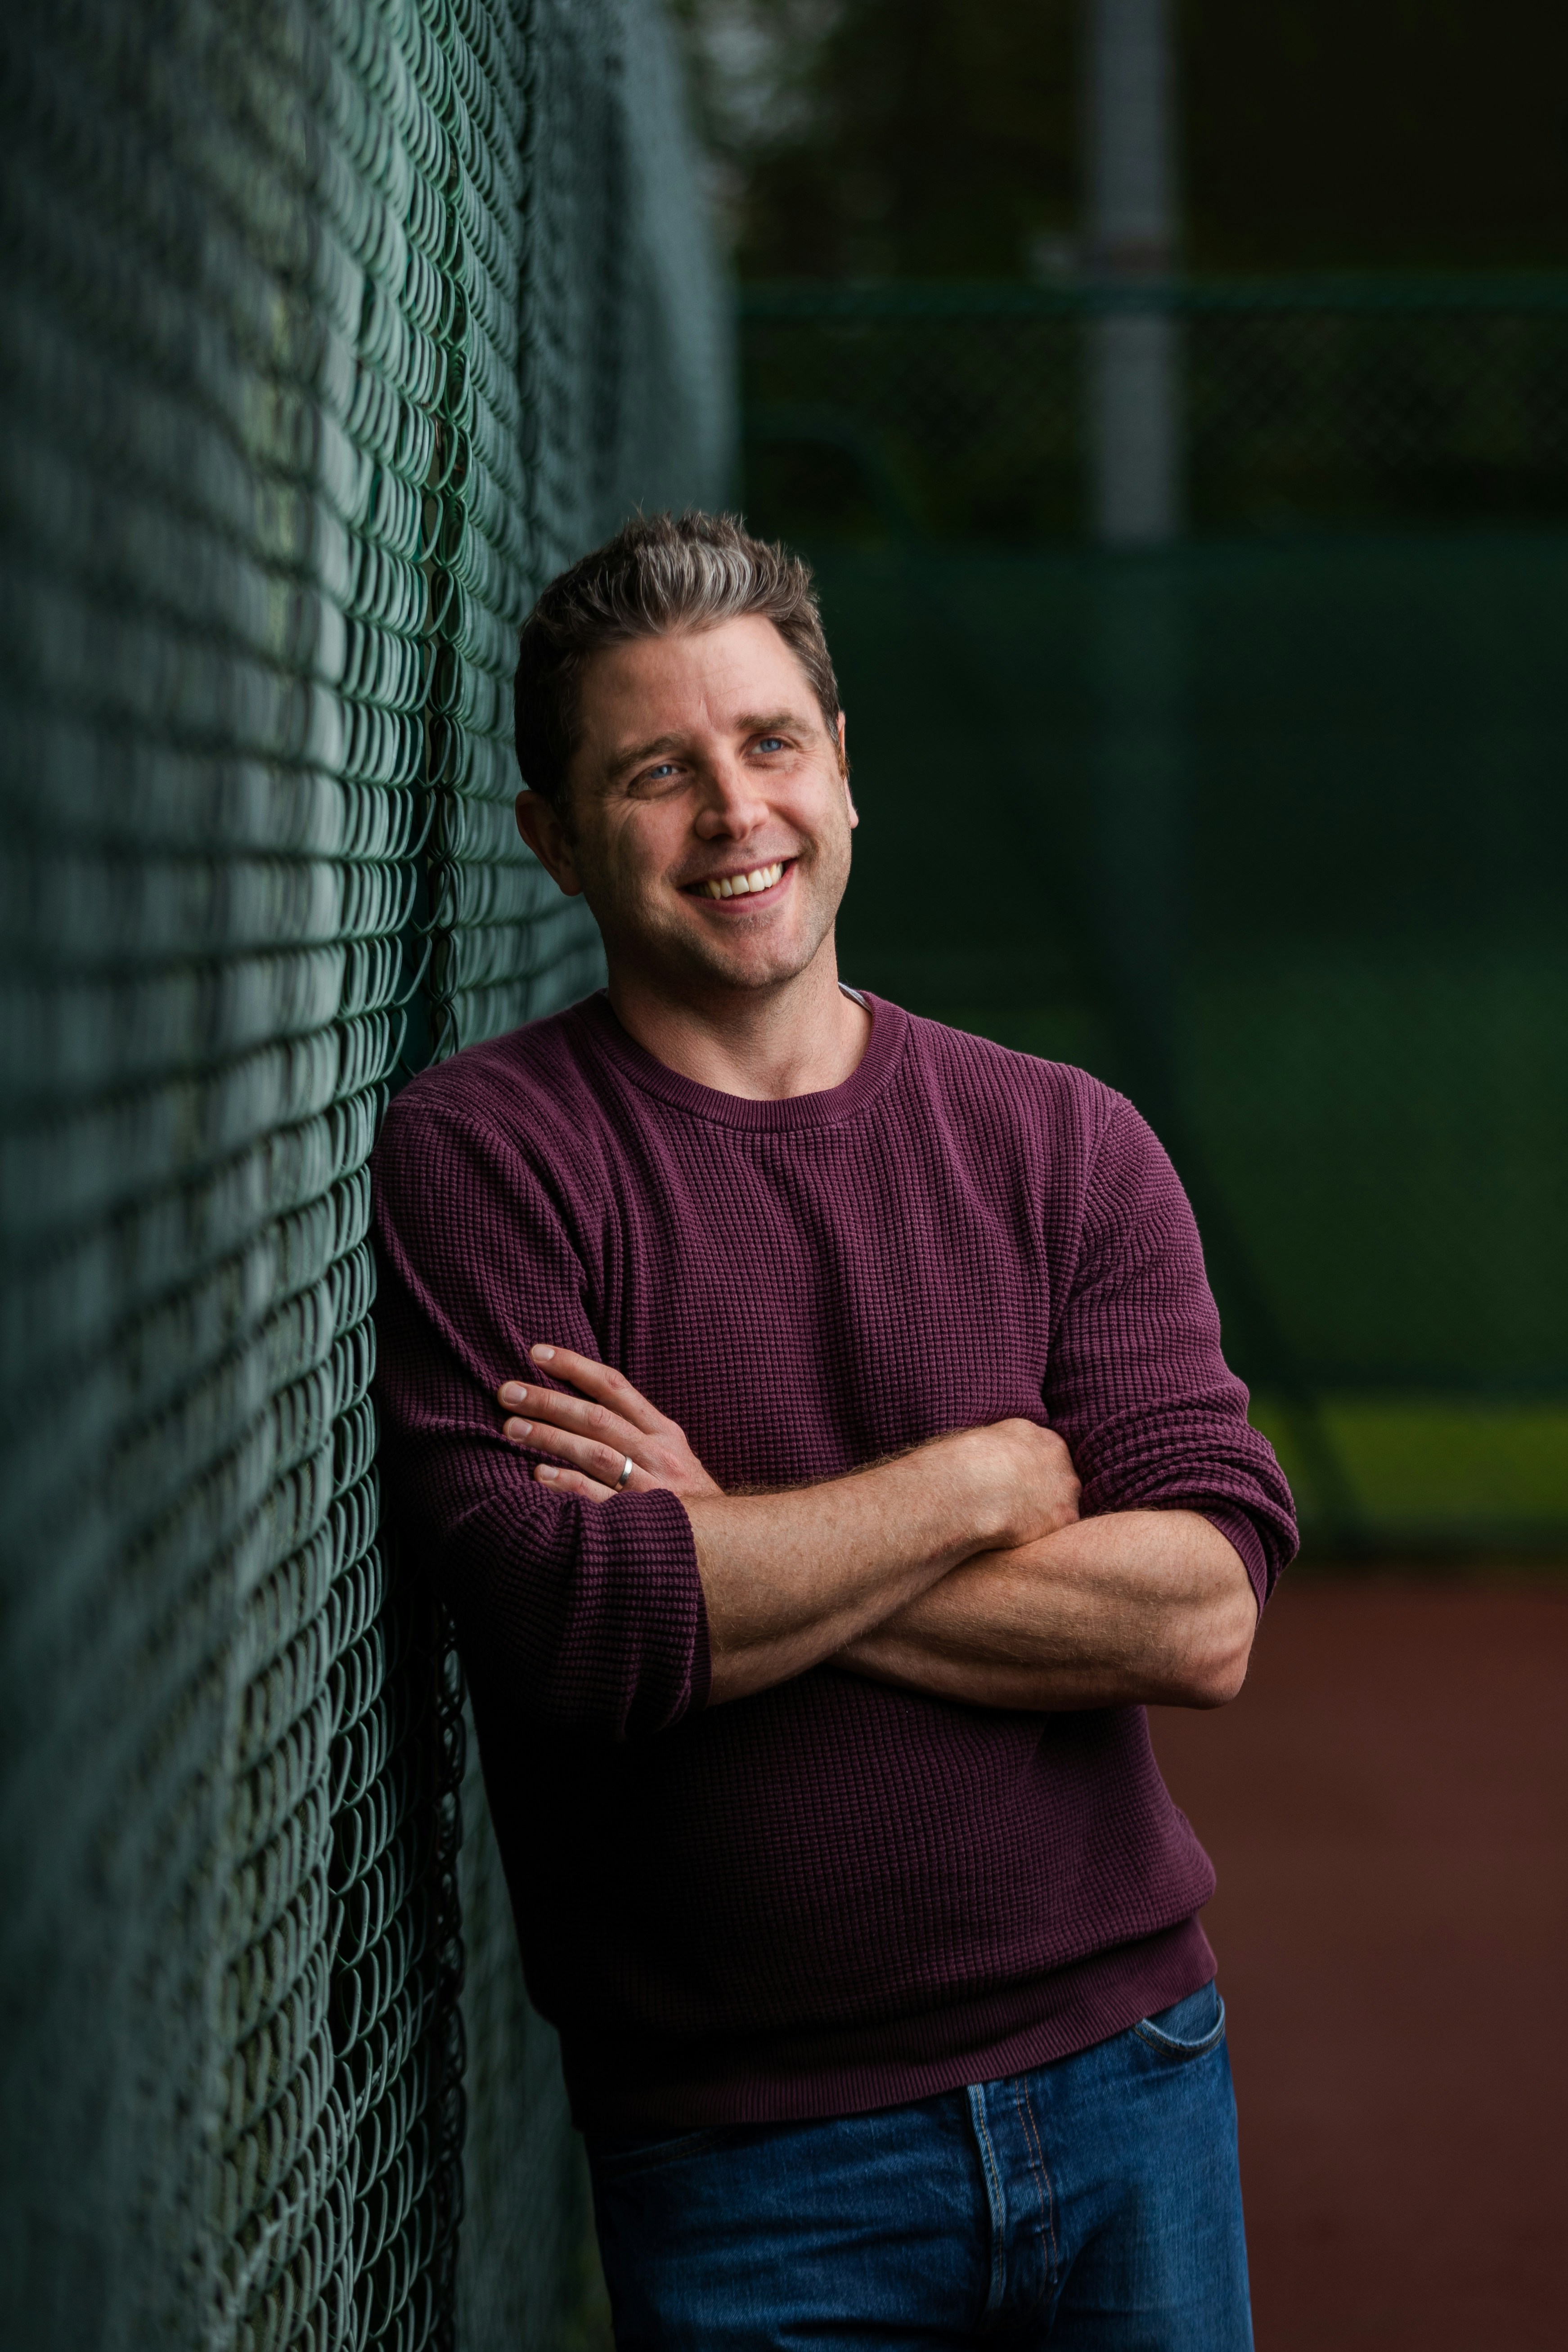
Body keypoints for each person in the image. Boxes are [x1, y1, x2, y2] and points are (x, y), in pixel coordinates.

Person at [371, 510, 1296, 2350]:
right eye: (656, 771)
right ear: (558, 840)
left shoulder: (1058, 1142)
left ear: (843, 771)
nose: (734, 811)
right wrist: (978, 1482)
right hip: (746, 2158)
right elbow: (577, 1628)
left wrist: (731, 1547)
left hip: (1125, 2076)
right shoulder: (490, 1155)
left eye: (769, 741)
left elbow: (1196, 1612)